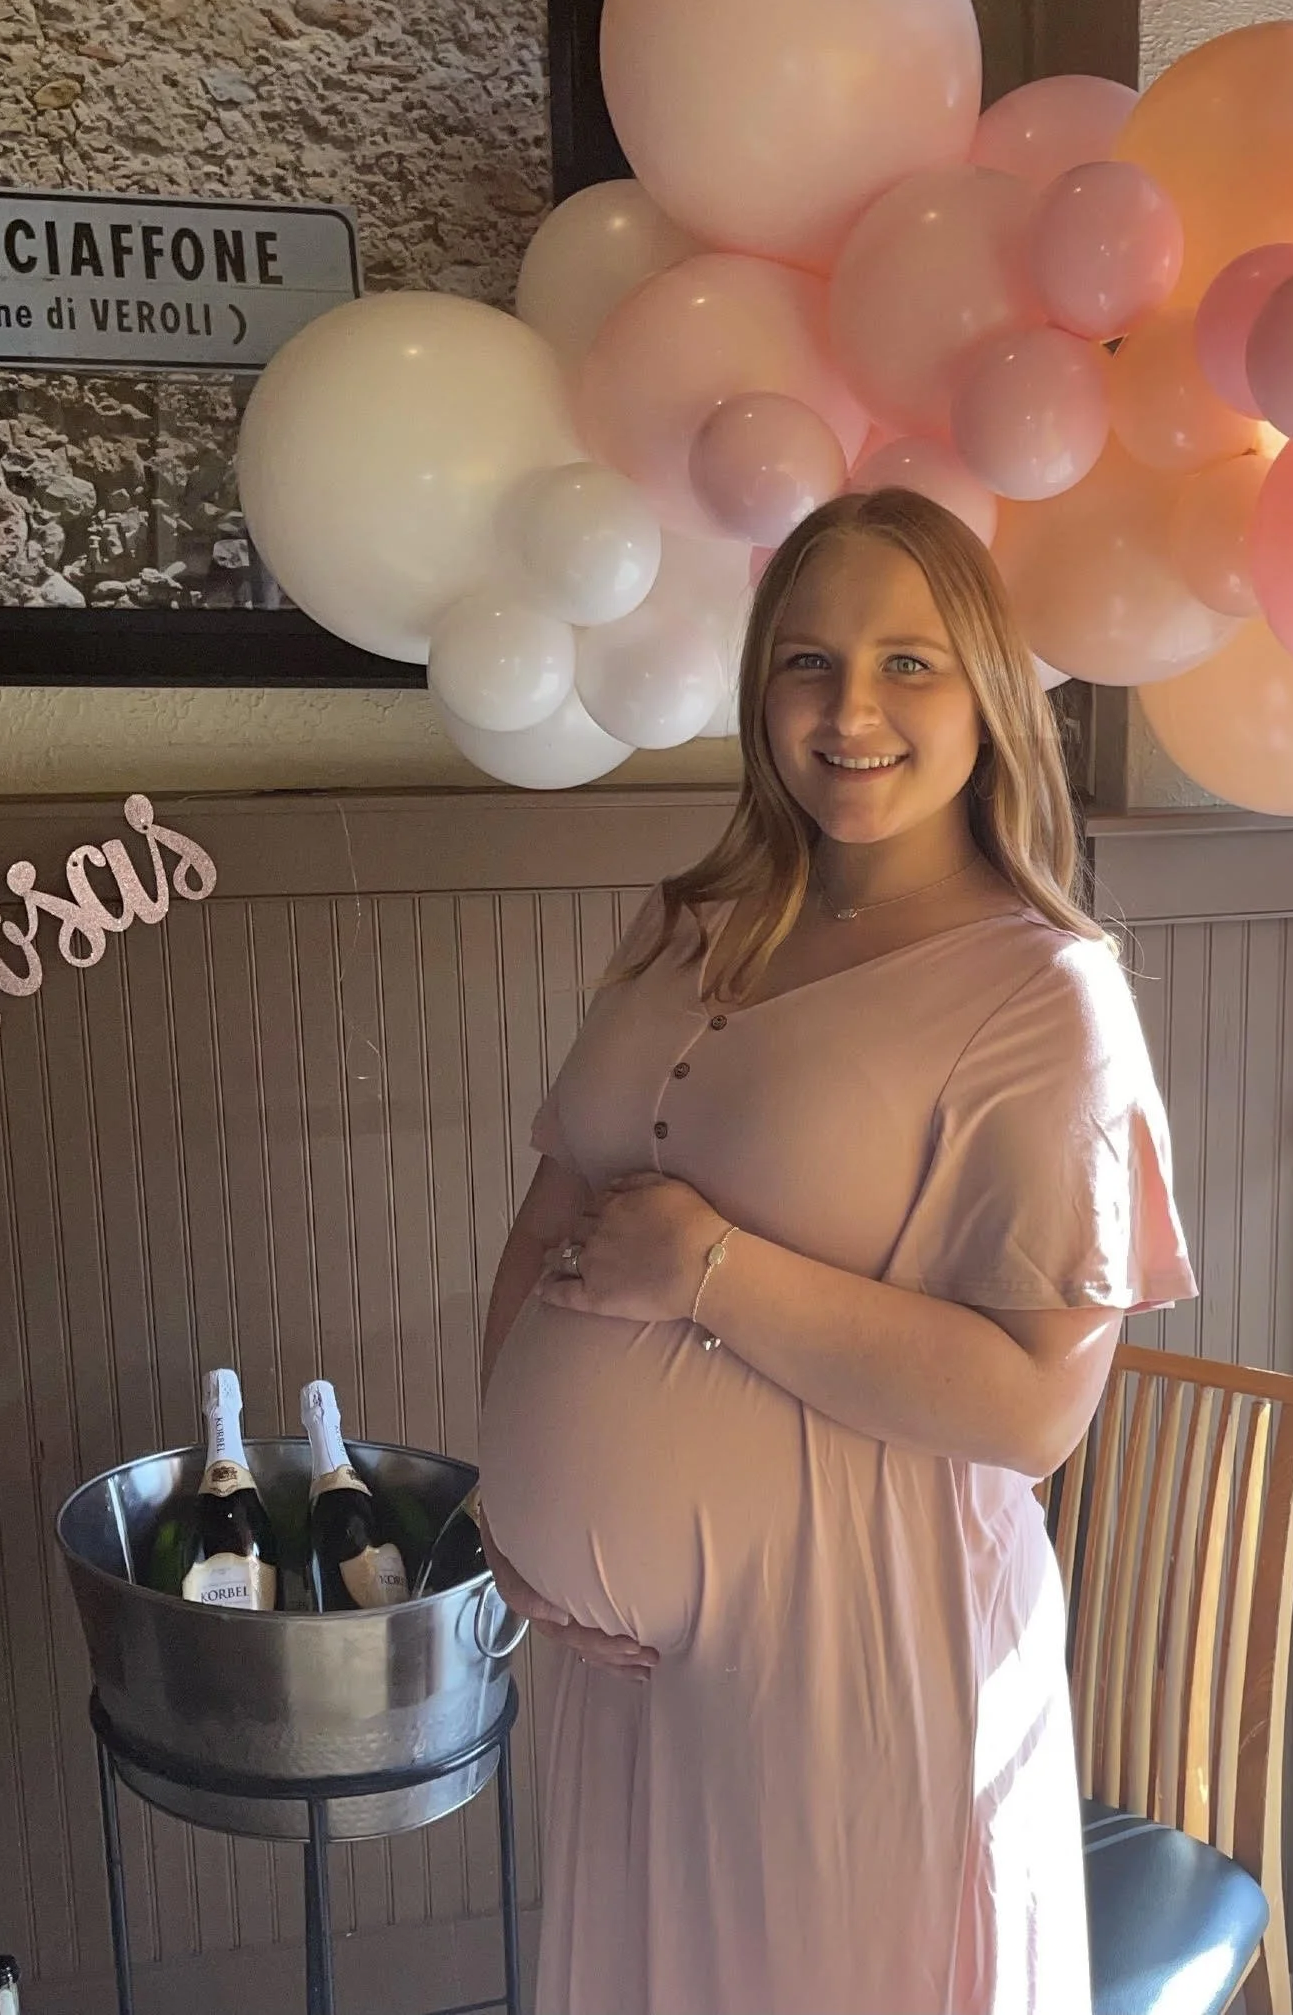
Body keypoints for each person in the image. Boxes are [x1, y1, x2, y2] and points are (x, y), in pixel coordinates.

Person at [476, 486, 1197, 2015]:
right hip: (619, 1676)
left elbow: (1032, 1405)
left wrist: (711, 1270)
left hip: (861, 1652)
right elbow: (552, 1216)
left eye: (907, 663)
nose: (849, 709)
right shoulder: (688, 927)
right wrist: (516, 1505)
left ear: (986, 694)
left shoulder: (1044, 995)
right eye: (807, 661)